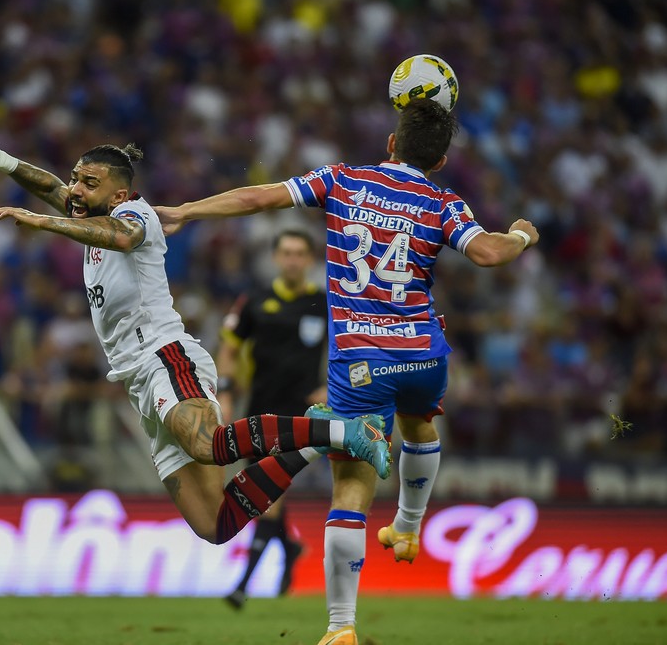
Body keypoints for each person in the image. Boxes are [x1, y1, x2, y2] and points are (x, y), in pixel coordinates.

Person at [156, 98, 539, 645]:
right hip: (425, 355)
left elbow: (258, 196)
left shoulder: (342, 180)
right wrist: (523, 234)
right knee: (419, 424)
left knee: (351, 487)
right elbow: (489, 253)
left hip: (361, 362)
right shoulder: (444, 201)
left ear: (390, 143)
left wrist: (188, 210)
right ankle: (408, 525)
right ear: (440, 161)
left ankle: (340, 626)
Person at [0, 115, 391, 548]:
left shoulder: (133, 213)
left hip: (166, 355)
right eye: (76, 179)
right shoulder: (91, 209)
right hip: (136, 377)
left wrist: (43, 223)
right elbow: (51, 187)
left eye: (88, 182)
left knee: (208, 445)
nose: (76, 190)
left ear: (119, 192)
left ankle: (346, 432)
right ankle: (314, 441)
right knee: (215, 524)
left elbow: (122, 238)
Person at [219, 229, 327, 609]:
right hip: (258, 413)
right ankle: (290, 548)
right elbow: (229, 349)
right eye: (287, 253)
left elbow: (350, 352)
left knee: (269, 496)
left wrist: (331, 388)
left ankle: (242, 586)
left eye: (300, 253)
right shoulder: (255, 301)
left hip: (301, 419)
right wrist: (225, 391)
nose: (293, 260)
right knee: (267, 494)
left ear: (310, 259)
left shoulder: (323, 304)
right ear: (276, 258)